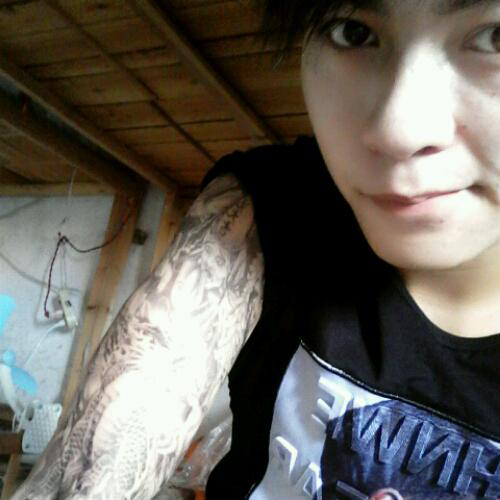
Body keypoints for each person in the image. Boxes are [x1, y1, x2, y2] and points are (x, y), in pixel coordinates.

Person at [12, 0, 500, 498]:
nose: (398, 130)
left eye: (495, 37)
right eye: (353, 32)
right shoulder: (268, 207)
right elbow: (89, 467)